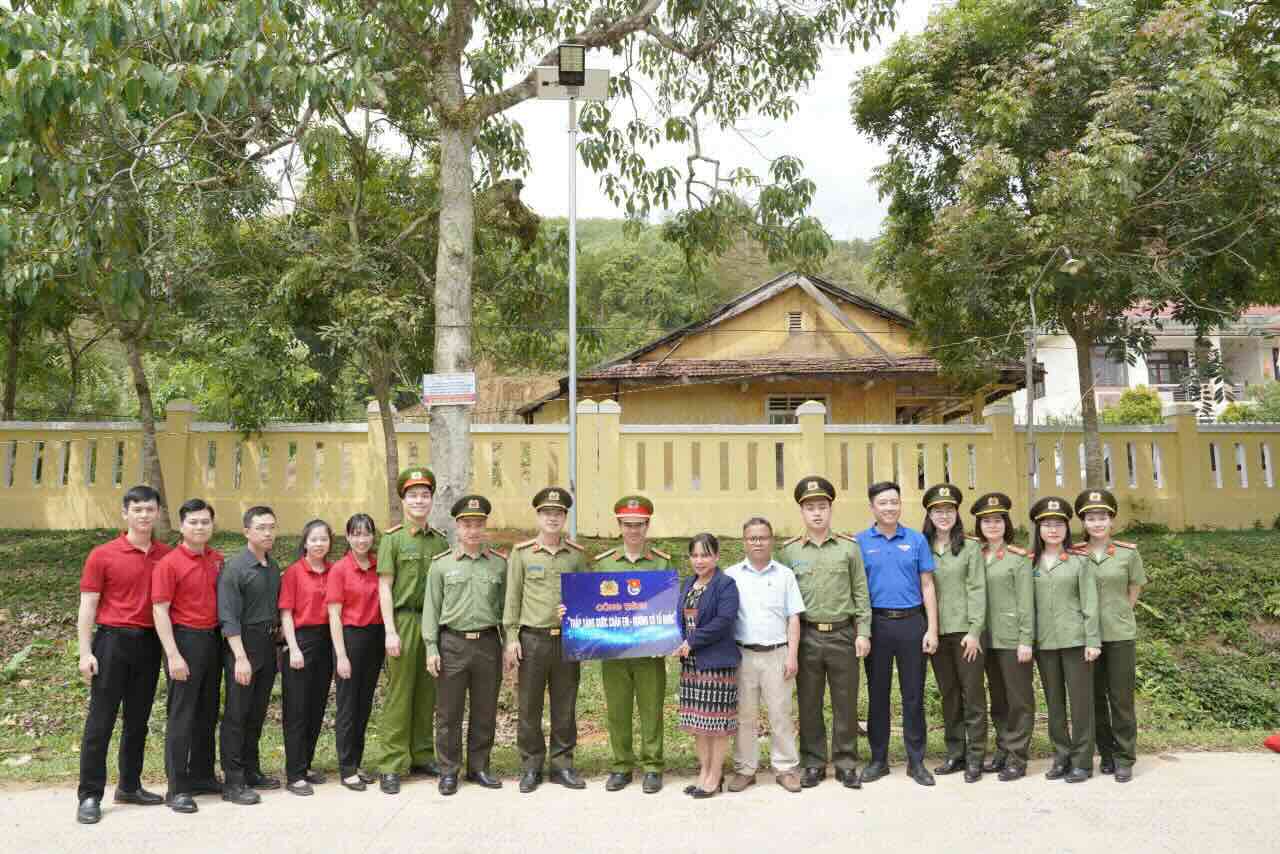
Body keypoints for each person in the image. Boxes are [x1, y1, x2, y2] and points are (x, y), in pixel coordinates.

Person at [75, 485, 171, 824]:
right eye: (138, 509)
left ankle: (129, 785)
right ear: (125, 513)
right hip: (112, 642)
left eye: (150, 509)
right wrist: (85, 651)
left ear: (158, 513)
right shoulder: (103, 555)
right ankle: (89, 795)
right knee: (100, 722)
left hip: (148, 644)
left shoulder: (166, 555)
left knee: (137, 721)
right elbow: (88, 605)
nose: (144, 515)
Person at [778, 477, 871, 790]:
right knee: (809, 702)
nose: (816, 513)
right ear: (801, 512)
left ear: (831, 509)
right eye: (809, 508)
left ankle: (846, 762)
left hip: (843, 634)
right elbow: (782, 598)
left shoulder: (849, 548)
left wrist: (864, 632)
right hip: (806, 636)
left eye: (822, 507)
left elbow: (861, 591)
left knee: (845, 702)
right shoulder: (789, 552)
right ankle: (814, 762)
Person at [503, 487, 588, 793]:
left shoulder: (576, 556)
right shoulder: (522, 554)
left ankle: (562, 765)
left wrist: (575, 614)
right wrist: (512, 637)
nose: (553, 518)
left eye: (558, 513)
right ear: (538, 516)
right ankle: (531, 766)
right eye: (547, 513)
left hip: (566, 640)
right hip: (532, 640)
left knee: (565, 705)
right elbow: (512, 597)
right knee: (529, 706)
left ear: (565, 517)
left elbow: (586, 599)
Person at [855, 480, 939, 787]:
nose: (889, 507)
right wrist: (861, 631)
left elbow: (927, 584)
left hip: (911, 623)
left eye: (894, 502)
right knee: (878, 694)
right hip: (877, 625)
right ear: (872, 507)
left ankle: (916, 761)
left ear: (900, 505)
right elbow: (858, 589)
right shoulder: (860, 541)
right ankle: (878, 760)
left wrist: (932, 628)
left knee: (913, 694)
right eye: (883, 502)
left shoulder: (916, 540)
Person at [372, 467, 449, 795]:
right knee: (400, 693)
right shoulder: (392, 539)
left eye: (425, 495)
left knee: (427, 692)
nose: (419, 500)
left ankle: (421, 754)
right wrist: (390, 630)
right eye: (413, 495)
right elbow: (385, 587)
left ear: (431, 500)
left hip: (434, 623)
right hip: (403, 621)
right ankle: (391, 762)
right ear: (403, 500)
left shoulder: (441, 541)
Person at [424, 495, 508, 795]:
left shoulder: (499, 565)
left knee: (485, 710)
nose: (473, 530)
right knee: (449, 712)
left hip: (487, 643)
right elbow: (431, 609)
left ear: (485, 527)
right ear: (457, 528)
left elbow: (506, 610)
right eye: (467, 524)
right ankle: (448, 770)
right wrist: (431, 647)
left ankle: (479, 767)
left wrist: (509, 645)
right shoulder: (441, 566)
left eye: (478, 524)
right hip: (452, 644)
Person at [595, 495, 673, 794]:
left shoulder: (661, 562)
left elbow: (669, 604)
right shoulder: (604, 563)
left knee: (651, 708)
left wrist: (664, 638)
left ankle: (653, 766)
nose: (633, 531)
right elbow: (592, 604)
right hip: (613, 651)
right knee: (618, 709)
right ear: (619, 525)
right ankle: (621, 766)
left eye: (639, 525)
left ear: (647, 525)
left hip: (649, 650)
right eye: (627, 525)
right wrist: (571, 611)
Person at [151, 498, 224, 814]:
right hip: (183, 641)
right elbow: (160, 609)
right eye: (193, 522)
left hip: (212, 641)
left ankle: (203, 775)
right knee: (182, 715)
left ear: (212, 525)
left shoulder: (217, 559)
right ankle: (177, 787)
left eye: (205, 521)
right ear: (182, 526)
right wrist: (173, 655)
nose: (199, 527)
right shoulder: (168, 563)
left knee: (207, 711)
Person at [1073, 488, 1147, 784]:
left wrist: (1120, 614)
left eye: (1102, 517)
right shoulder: (1075, 553)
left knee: (1121, 698)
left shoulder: (1128, 553)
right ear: (1084, 522)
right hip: (1085, 637)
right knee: (1094, 698)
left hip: (1118, 635)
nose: (1097, 523)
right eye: (1091, 517)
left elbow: (1134, 588)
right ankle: (1105, 754)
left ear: (1111, 520)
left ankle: (1124, 757)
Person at [727, 518, 806, 794]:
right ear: (744, 542)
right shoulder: (731, 575)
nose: (757, 542)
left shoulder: (784, 575)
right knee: (744, 715)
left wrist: (792, 655)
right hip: (743, 655)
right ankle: (745, 769)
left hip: (777, 654)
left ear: (771, 540)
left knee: (780, 714)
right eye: (752, 538)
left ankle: (785, 768)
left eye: (762, 537)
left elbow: (793, 618)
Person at [1029, 495, 1100, 784]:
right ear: (1038, 529)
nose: (1053, 530)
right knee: (1054, 703)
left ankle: (1082, 761)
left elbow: (1090, 602)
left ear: (1067, 528)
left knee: (1081, 703)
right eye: (1046, 524)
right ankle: (1061, 756)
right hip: (1045, 643)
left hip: (1075, 641)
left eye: (1058, 524)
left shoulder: (1079, 561)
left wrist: (1093, 640)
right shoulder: (1029, 563)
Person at [920, 484, 987, 783]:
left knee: (972, 694)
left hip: (965, 633)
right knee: (949, 695)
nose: (943, 515)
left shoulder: (970, 547)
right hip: (937, 633)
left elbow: (977, 589)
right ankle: (955, 752)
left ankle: (976, 756)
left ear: (957, 512)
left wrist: (975, 631)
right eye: (937, 510)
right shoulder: (922, 545)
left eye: (948, 510)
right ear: (929, 514)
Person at [218, 505, 283, 805]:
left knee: (256, 712)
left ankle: (251, 770)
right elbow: (228, 617)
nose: (268, 532)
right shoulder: (235, 568)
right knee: (237, 714)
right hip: (242, 646)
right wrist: (240, 657)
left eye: (271, 527)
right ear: (247, 531)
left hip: (268, 645)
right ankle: (233, 781)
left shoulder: (272, 566)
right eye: (261, 528)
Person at [970, 492, 1035, 782]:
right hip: (985, 639)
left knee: (1018, 699)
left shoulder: (1017, 558)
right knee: (997, 699)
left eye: (997, 520)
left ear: (1005, 523)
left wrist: (1026, 639)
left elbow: (1026, 601)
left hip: (1011, 639)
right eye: (986, 521)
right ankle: (1003, 748)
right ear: (979, 525)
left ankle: (1018, 756)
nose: (992, 525)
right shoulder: (974, 555)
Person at [675, 533, 741, 799]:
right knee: (698, 722)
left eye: (705, 554)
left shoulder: (725, 585)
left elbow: (724, 621)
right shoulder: (688, 583)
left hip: (716, 662)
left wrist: (692, 641)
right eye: (695, 555)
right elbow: (678, 619)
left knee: (716, 724)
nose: (699, 560)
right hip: (691, 663)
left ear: (716, 556)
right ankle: (704, 771)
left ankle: (715, 774)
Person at [326, 513, 385, 791]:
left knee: (364, 705)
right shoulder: (339, 569)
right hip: (350, 639)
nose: (362, 539)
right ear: (347, 537)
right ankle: (346, 767)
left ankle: (357, 762)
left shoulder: (378, 565)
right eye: (356, 534)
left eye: (366, 533)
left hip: (375, 639)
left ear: (373, 536)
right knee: (348, 706)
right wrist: (341, 655)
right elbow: (334, 615)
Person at [278, 519, 337, 796]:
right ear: (305, 542)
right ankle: (294, 773)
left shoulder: (333, 571)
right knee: (297, 710)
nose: (318, 544)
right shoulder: (293, 572)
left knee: (316, 707)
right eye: (314, 539)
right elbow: (286, 613)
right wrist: (294, 648)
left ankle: (306, 764)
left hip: (326, 641)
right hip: (300, 642)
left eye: (323, 539)